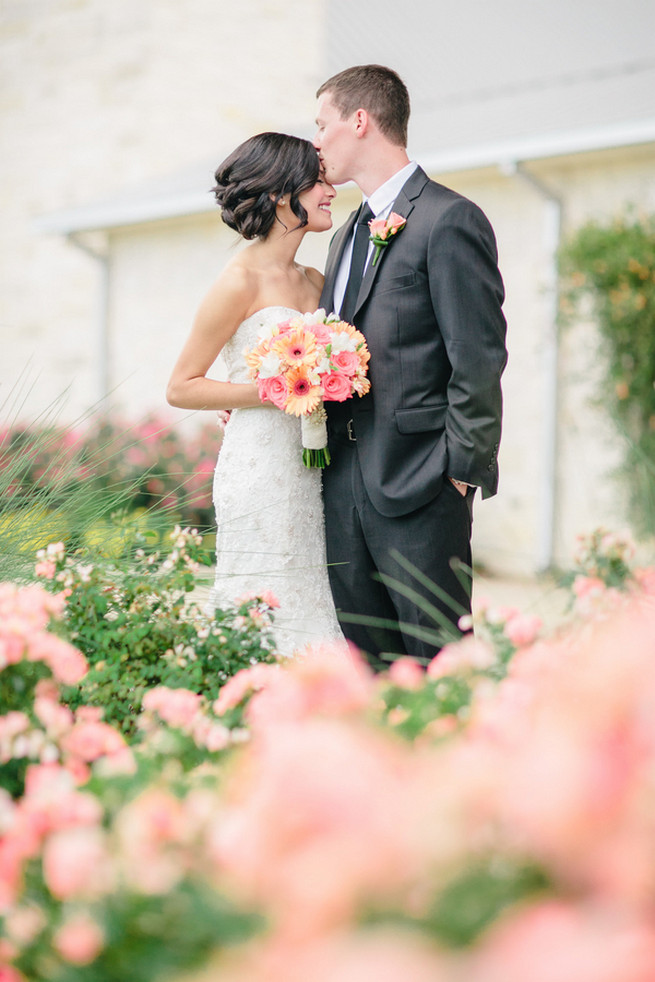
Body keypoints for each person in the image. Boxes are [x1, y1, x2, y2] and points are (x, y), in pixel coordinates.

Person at [313, 65, 508, 669]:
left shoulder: (449, 219)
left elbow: (478, 357)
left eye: (322, 125)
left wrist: (459, 473)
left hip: (423, 484)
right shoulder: (345, 233)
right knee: (367, 668)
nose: (316, 141)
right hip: (341, 485)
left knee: (439, 663)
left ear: (360, 121)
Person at [166, 132, 343, 657]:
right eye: (318, 180)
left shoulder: (317, 280)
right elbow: (182, 386)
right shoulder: (237, 281)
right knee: (263, 605)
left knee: (317, 600)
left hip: (319, 469)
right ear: (280, 193)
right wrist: (272, 392)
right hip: (260, 469)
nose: (331, 190)